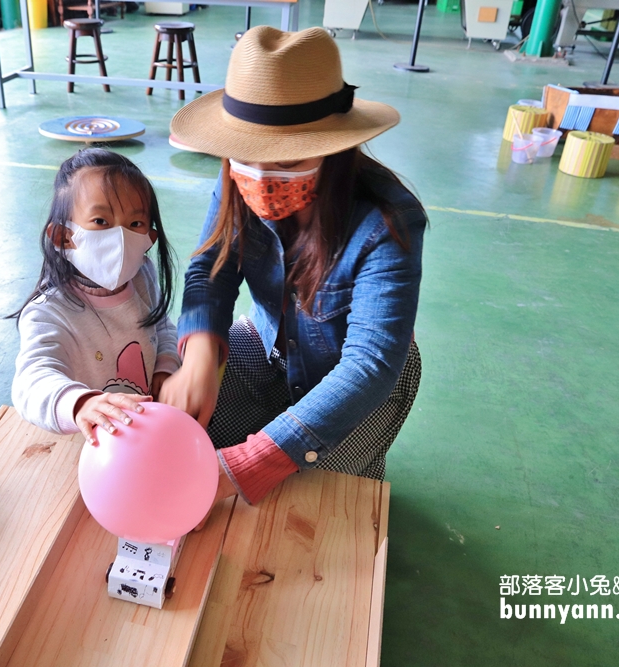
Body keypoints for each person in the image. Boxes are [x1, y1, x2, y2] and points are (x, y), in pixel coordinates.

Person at [160, 27, 426, 508]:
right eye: (247, 156)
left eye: (288, 160)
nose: (262, 178)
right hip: (268, 349)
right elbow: (211, 269)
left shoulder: (388, 222)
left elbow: (369, 365)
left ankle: (357, 462)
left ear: (335, 146)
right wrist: (200, 353)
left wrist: (250, 462)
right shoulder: (237, 183)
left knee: (303, 503)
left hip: (359, 382)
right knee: (180, 433)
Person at [11, 148, 180, 444]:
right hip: (91, 447)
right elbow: (31, 381)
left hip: (145, 435)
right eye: (101, 221)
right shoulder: (48, 312)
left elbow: (161, 325)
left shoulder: (143, 276)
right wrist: (80, 404)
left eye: (135, 224)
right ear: (64, 237)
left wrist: (166, 365)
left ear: (148, 240)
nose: (120, 236)